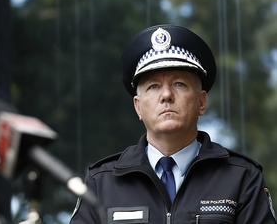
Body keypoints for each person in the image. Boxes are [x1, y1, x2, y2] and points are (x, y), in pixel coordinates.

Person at [70, 24, 277, 223]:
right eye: (153, 86)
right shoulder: (102, 182)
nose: (167, 95)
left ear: (201, 102)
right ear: (138, 107)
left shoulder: (241, 177)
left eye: (179, 84)